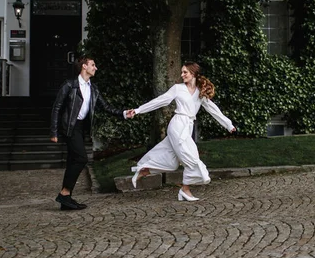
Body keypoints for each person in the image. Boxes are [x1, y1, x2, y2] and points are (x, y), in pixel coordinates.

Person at [129, 61, 236, 201]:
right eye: (182, 72)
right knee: (192, 159)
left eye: (185, 72)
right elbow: (159, 101)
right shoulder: (177, 88)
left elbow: (213, 109)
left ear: (193, 74)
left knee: (172, 163)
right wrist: (138, 110)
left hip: (187, 126)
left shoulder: (200, 92)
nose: (182, 75)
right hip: (177, 125)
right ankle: (185, 190)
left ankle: (145, 170)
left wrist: (228, 124)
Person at [50, 55, 133, 211]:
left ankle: (65, 199)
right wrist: (53, 131)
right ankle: (64, 193)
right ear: (84, 66)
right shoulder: (70, 85)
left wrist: (123, 113)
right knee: (81, 159)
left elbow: (106, 107)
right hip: (69, 127)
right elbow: (57, 108)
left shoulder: (92, 88)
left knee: (72, 161)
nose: (96, 68)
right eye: (93, 65)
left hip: (81, 127)